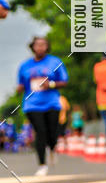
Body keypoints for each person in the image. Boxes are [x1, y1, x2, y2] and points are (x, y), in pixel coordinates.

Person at [16, 36, 68, 175]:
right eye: (37, 45)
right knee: (40, 132)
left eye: (43, 44)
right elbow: (21, 84)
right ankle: (42, 165)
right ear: (32, 47)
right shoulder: (24, 66)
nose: (40, 47)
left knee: (52, 133)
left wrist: (50, 84)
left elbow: (64, 81)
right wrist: (19, 88)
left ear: (47, 46)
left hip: (51, 102)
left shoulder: (55, 62)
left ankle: (52, 148)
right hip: (32, 104)